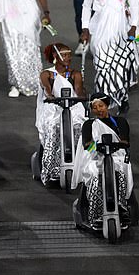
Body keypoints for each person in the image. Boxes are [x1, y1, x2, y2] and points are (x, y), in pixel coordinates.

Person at [81, 0, 139, 113]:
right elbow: (86, 6)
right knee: (102, 64)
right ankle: (103, 98)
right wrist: (85, 28)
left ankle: (122, 98)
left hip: (121, 27)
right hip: (99, 28)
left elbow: (134, 3)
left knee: (121, 65)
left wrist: (133, 26)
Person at [72, 93, 133, 229]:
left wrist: (116, 145)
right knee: (94, 173)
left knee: (120, 169)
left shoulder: (120, 121)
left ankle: (121, 207)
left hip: (116, 155)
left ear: (107, 106)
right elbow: (87, 143)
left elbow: (124, 140)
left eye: (101, 106)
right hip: (95, 156)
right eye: (95, 107)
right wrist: (97, 147)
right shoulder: (89, 124)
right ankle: (96, 214)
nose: (99, 109)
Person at [35, 43, 86, 185]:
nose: (68, 58)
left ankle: (77, 169)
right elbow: (46, 88)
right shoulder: (47, 74)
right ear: (55, 56)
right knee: (54, 130)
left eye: (69, 54)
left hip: (73, 108)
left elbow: (79, 90)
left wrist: (83, 94)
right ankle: (51, 171)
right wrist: (50, 95)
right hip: (53, 109)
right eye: (64, 55)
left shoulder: (75, 74)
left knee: (79, 128)